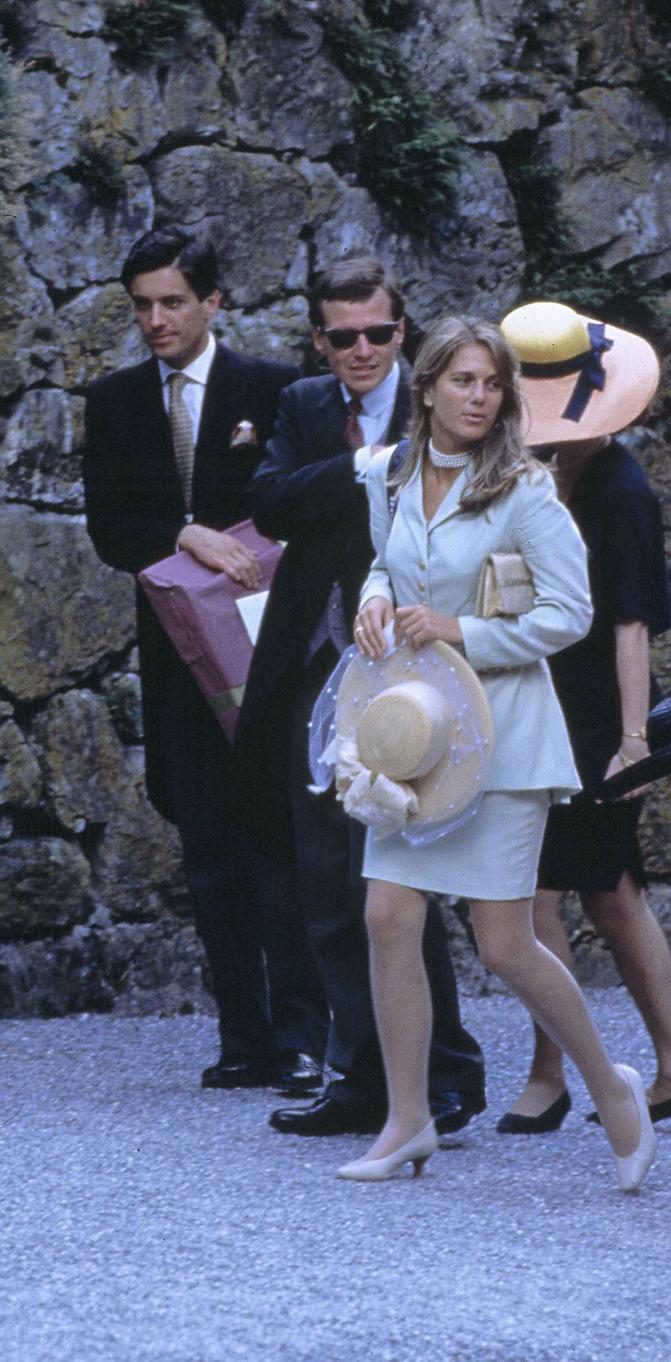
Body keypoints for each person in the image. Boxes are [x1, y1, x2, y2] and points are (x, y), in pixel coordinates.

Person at [341, 315, 657, 1187]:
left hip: (509, 739)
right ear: (428, 388)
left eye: (493, 385)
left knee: (506, 945)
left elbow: (571, 613)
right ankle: (407, 1120)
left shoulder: (527, 490)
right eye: (465, 382)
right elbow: (385, 565)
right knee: (386, 917)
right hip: (413, 732)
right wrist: (374, 599)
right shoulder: (390, 473)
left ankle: (613, 1089)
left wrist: (461, 630)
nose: (480, 398)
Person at [235, 257, 485, 1138]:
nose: (362, 350)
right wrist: (366, 469)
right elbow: (266, 505)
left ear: (402, 333)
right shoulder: (306, 407)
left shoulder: (444, 402)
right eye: (343, 336)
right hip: (318, 665)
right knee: (329, 882)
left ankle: (445, 1070)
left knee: (404, 879)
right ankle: (361, 1074)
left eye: (378, 333)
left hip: (410, 666)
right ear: (319, 340)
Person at [82, 225, 323, 1093]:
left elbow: (303, 495)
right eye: (142, 306)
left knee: (278, 831)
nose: (156, 321)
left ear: (212, 301)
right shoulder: (112, 402)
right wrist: (181, 535)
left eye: (172, 302)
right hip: (174, 646)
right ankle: (242, 1035)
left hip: (266, 641)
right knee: (206, 838)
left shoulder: (270, 387)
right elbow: (110, 525)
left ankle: (303, 1032)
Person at [495, 302, 671, 1137]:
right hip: (549, 697)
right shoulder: (552, 467)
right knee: (613, 892)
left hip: (591, 716)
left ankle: (553, 1071)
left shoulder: (617, 488)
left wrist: (632, 742)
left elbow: (631, 623)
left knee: (537, 892)